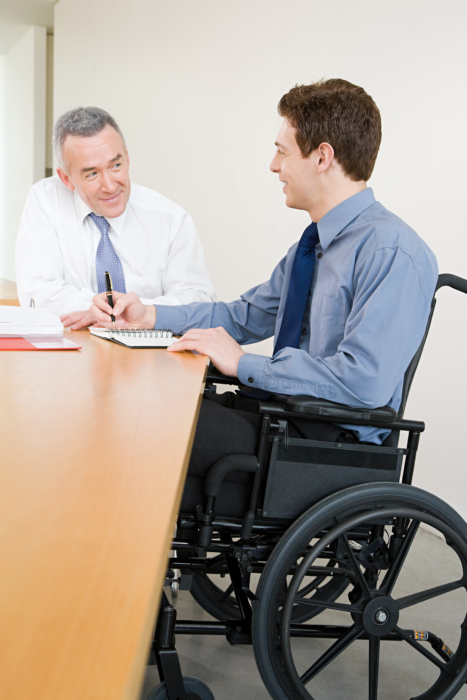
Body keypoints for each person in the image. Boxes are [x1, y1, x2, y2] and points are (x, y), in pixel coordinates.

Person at [91, 79, 438, 514]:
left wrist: (245, 364)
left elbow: (364, 381)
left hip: (322, 442)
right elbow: (243, 316)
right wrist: (149, 314)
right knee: (141, 400)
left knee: (142, 421)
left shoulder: (392, 252)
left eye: (282, 151)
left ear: (322, 157)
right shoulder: (312, 246)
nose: (274, 166)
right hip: (282, 416)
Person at [15, 107, 216, 328]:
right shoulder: (46, 200)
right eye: (92, 173)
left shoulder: (170, 219)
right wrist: (96, 309)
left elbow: (200, 300)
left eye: (115, 166)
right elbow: (38, 294)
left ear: (127, 159)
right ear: (66, 179)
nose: (110, 186)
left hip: (156, 356)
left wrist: (132, 313)